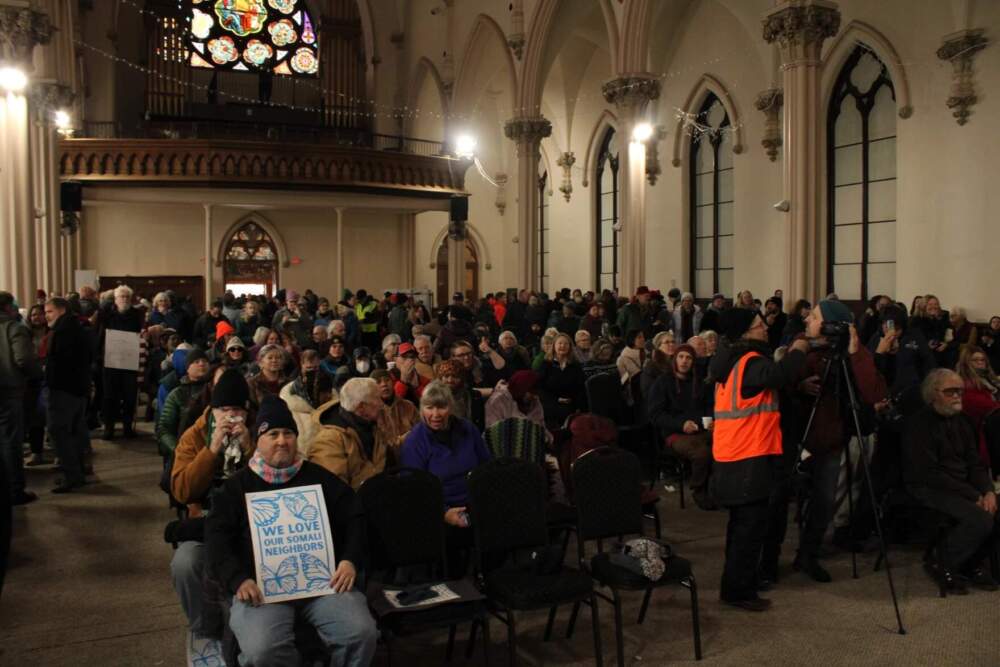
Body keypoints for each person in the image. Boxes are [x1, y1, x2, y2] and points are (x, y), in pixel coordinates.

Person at [205, 394, 376, 666]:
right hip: (262, 591)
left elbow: (355, 516)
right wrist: (238, 579)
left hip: (323, 585)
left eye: (288, 433)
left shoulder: (319, 478)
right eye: (272, 434)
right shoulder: (235, 487)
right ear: (258, 440)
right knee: (262, 650)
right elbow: (216, 539)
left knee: (361, 633)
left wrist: (350, 560)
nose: (282, 441)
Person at [709, 308, 809, 611]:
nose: (765, 328)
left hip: (733, 453)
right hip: (748, 457)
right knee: (748, 531)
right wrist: (799, 349)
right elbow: (779, 375)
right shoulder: (749, 361)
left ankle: (734, 586)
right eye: (758, 325)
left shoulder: (728, 360)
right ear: (744, 332)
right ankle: (739, 592)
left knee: (740, 527)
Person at [791, 300, 886, 583]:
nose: (807, 320)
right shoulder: (803, 346)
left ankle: (808, 554)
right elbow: (782, 383)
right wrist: (799, 386)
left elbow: (873, 393)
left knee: (824, 501)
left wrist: (855, 352)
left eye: (814, 316)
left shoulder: (852, 352)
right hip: (799, 435)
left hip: (832, 438)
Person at [169, 370, 255, 642]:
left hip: (251, 521)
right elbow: (182, 490)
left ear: (246, 411)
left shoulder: (260, 430)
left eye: (236, 410)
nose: (230, 416)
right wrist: (211, 450)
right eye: (223, 410)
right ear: (213, 410)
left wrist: (250, 449)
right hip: (206, 519)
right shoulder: (194, 436)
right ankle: (205, 628)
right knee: (186, 563)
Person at [904, 369, 999, 593]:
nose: (957, 396)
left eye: (959, 391)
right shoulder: (918, 424)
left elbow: (975, 464)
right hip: (928, 487)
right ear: (933, 394)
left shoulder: (963, 420)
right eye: (950, 391)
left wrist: (987, 491)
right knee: (980, 518)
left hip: (960, 486)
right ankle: (942, 562)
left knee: (994, 507)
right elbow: (930, 473)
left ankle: (972, 563)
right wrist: (974, 496)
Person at [400, 381, 492, 574]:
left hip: (474, 502)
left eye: (441, 407)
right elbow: (413, 491)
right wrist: (443, 513)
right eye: (429, 407)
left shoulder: (467, 429)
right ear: (421, 409)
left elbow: (486, 467)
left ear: (450, 407)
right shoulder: (414, 442)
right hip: (437, 509)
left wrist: (484, 500)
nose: (435, 414)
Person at [647, 344, 714, 508]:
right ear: (675, 359)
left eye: (688, 358)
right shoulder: (663, 382)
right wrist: (681, 424)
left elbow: (708, 406)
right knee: (702, 453)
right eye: (681, 357)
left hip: (700, 429)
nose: (684, 361)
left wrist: (710, 421)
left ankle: (717, 487)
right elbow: (656, 414)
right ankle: (699, 490)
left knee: (725, 443)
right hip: (675, 433)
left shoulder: (699, 382)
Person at [44, 297, 94, 493]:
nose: (46, 316)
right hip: (78, 388)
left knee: (59, 432)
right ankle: (78, 473)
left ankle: (71, 476)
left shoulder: (62, 331)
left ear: (62, 310)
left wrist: (47, 375)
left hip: (63, 389)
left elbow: (59, 362)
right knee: (74, 432)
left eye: (49, 311)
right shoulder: (77, 328)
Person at [309, 377, 393, 490]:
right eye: (377, 399)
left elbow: (390, 450)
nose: (382, 404)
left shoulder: (372, 426)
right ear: (361, 407)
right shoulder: (329, 441)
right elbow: (334, 490)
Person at [0, 292, 42, 505]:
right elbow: (24, 359)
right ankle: (15, 490)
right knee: (11, 442)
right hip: (8, 391)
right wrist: (37, 374)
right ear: (8, 307)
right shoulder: (14, 328)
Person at [98, 285, 144, 439]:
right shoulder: (107, 315)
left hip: (130, 361)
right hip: (111, 361)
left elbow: (140, 334)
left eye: (127, 297)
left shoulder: (136, 315)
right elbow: (100, 336)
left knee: (130, 396)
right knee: (110, 396)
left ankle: (127, 427)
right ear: (115, 299)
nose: (124, 299)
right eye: (121, 297)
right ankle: (109, 428)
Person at [155, 349, 212, 458]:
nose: (201, 364)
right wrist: (178, 449)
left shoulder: (216, 390)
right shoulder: (177, 394)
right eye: (196, 361)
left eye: (205, 361)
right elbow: (164, 429)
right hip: (184, 453)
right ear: (188, 368)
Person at [279, 349, 335, 457]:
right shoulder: (291, 391)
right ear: (302, 365)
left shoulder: (327, 384)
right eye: (308, 368)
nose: (312, 371)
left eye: (315, 368)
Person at [956, 346, 1000, 476]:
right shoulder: (965, 385)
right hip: (982, 435)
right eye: (975, 360)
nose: (980, 363)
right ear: (966, 363)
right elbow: (988, 407)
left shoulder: (990, 380)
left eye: (982, 360)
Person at [538, 333, 587, 430]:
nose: (563, 346)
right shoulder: (546, 364)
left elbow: (581, 387)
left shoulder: (575, 365)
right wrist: (556, 399)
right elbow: (540, 387)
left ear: (570, 347)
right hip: (550, 403)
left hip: (571, 404)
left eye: (566, 344)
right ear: (554, 346)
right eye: (560, 343)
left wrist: (578, 405)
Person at [371, 368, 419, 450]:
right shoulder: (372, 413)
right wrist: (402, 440)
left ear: (393, 382)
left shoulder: (408, 406)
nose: (384, 384)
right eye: (378, 382)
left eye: (387, 380)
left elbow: (421, 430)